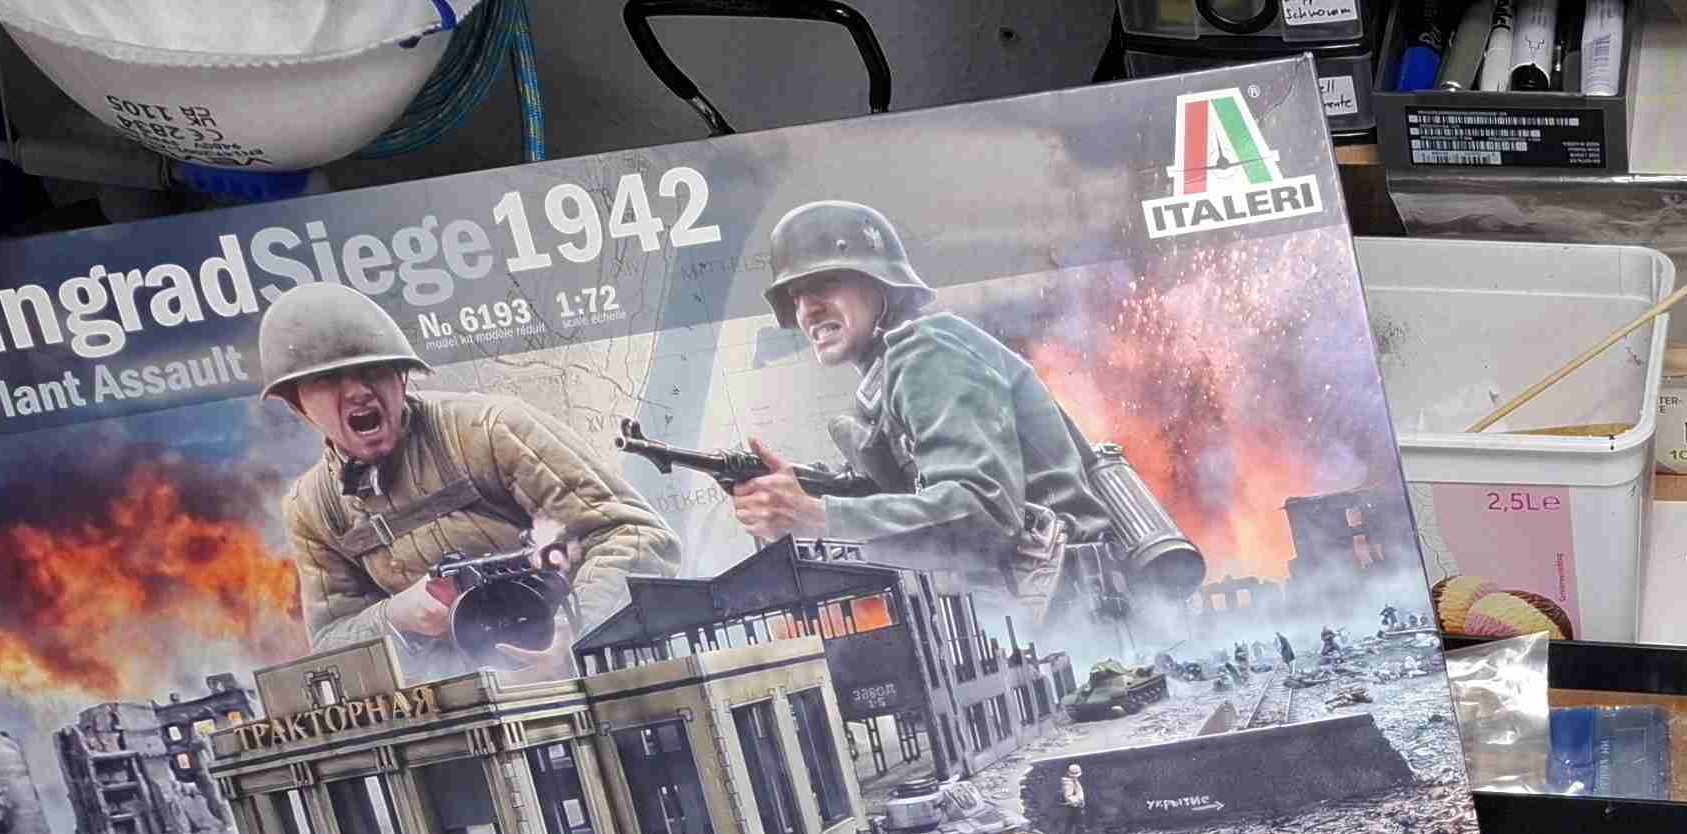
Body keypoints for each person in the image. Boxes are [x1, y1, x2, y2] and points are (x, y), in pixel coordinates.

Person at [257, 283, 677, 669]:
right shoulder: (313, 508)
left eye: (372, 370)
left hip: (593, 668)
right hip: (472, 698)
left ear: (402, 377)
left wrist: (576, 634)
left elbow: (634, 535)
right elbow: (331, 641)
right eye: (327, 380)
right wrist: (396, 616)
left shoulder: (490, 432)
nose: (357, 392)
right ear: (297, 404)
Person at [722, 201, 1118, 610]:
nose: (808, 309)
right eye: (796, 296)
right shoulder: (889, 376)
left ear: (879, 283)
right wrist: (801, 492)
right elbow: (910, 501)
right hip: (1045, 602)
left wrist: (818, 515)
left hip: (1075, 601)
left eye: (825, 283)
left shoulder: (929, 352)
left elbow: (983, 511)